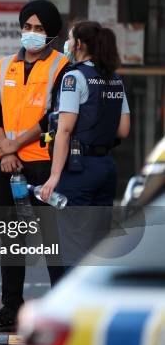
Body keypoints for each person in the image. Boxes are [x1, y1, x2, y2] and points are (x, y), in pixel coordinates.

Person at [0, 0, 69, 333]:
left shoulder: (62, 66)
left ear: (50, 34)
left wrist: (15, 146)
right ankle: (11, 307)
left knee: (52, 238)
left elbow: (55, 117)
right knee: (11, 238)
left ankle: (62, 309)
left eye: (39, 29)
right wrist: (5, 151)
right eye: (28, 27)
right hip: (5, 163)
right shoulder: (4, 67)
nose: (31, 33)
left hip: (42, 164)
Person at [40, 21, 131, 264]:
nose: (67, 44)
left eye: (70, 39)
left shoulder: (74, 77)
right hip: (106, 167)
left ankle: (74, 302)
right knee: (98, 245)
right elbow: (123, 129)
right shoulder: (115, 79)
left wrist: (54, 175)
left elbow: (65, 129)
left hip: (79, 169)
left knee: (73, 245)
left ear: (79, 44)